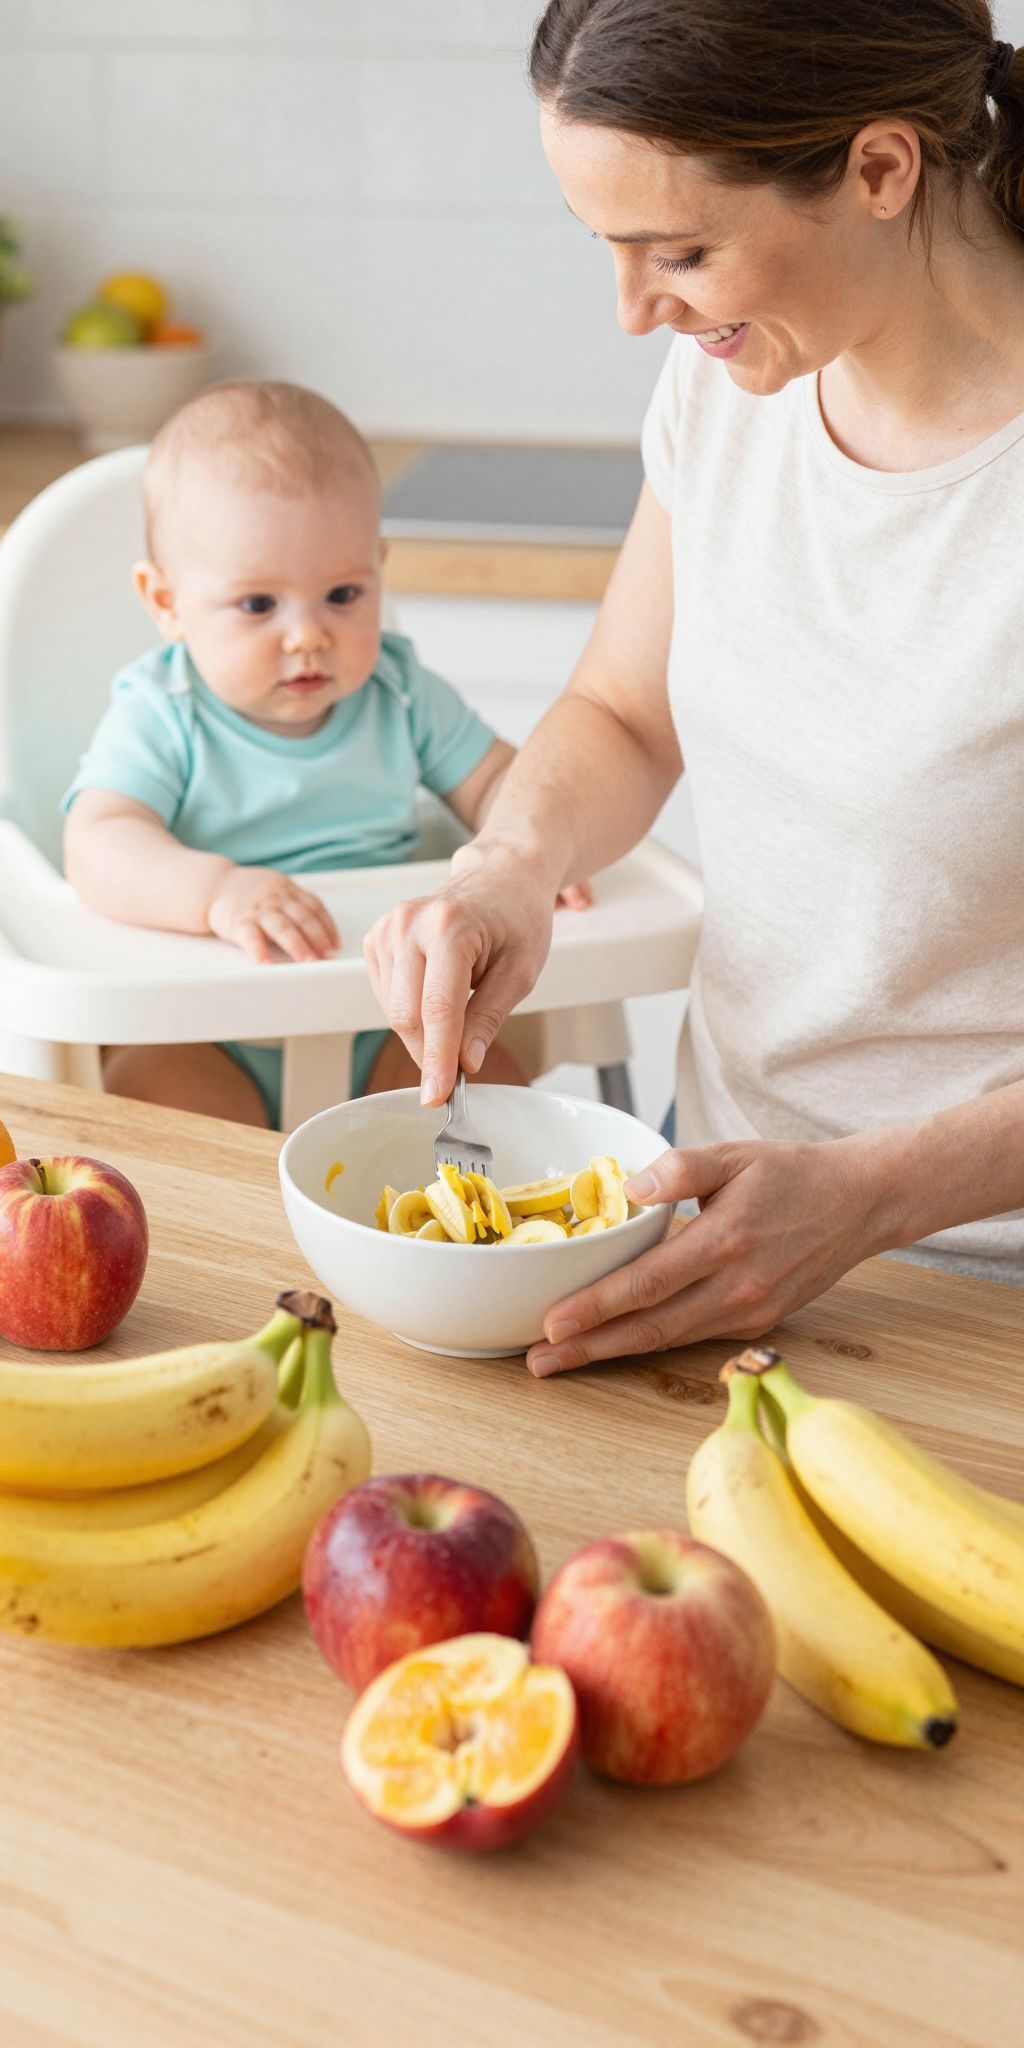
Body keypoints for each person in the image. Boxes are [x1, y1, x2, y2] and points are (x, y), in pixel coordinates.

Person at [364, 0, 1024, 1375]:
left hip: (985, 1299)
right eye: (610, 250)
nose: (635, 311)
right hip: (721, 1248)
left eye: (682, 252)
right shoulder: (731, 387)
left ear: (881, 168)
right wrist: (507, 866)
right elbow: (624, 711)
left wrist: (872, 1197)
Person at [62, 379, 583, 1128]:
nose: (307, 634)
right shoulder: (163, 712)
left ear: (379, 567)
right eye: (258, 605)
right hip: (210, 1029)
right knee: (159, 1114)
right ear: (166, 603)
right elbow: (98, 842)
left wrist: (538, 852)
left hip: (389, 1020)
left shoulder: (399, 695)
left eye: (342, 595)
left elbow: (503, 781)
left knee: (491, 1098)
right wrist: (218, 894)